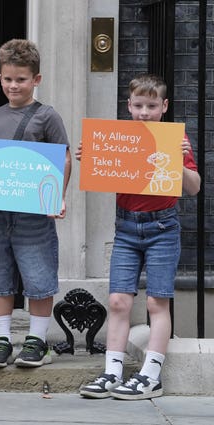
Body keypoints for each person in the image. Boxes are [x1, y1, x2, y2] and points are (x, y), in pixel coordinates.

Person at [79, 73, 200, 400]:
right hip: (127, 228)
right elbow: (103, 169)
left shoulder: (175, 141)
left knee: (156, 301)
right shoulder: (121, 137)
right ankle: (112, 372)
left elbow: (193, 186)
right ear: (128, 106)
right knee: (118, 301)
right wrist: (90, 158)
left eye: (150, 106)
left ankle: (150, 376)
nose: (144, 112)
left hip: (162, 227)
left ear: (164, 106)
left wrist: (180, 160)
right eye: (137, 105)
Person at [0, 39, 71, 369]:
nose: (13, 85)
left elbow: (64, 159)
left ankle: (37, 341)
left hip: (33, 214)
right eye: (8, 79)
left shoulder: (47, 116)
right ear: (0, 78)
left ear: (36, 79)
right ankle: (1, 340)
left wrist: (58, 196)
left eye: (21, 79)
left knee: (38, 278)